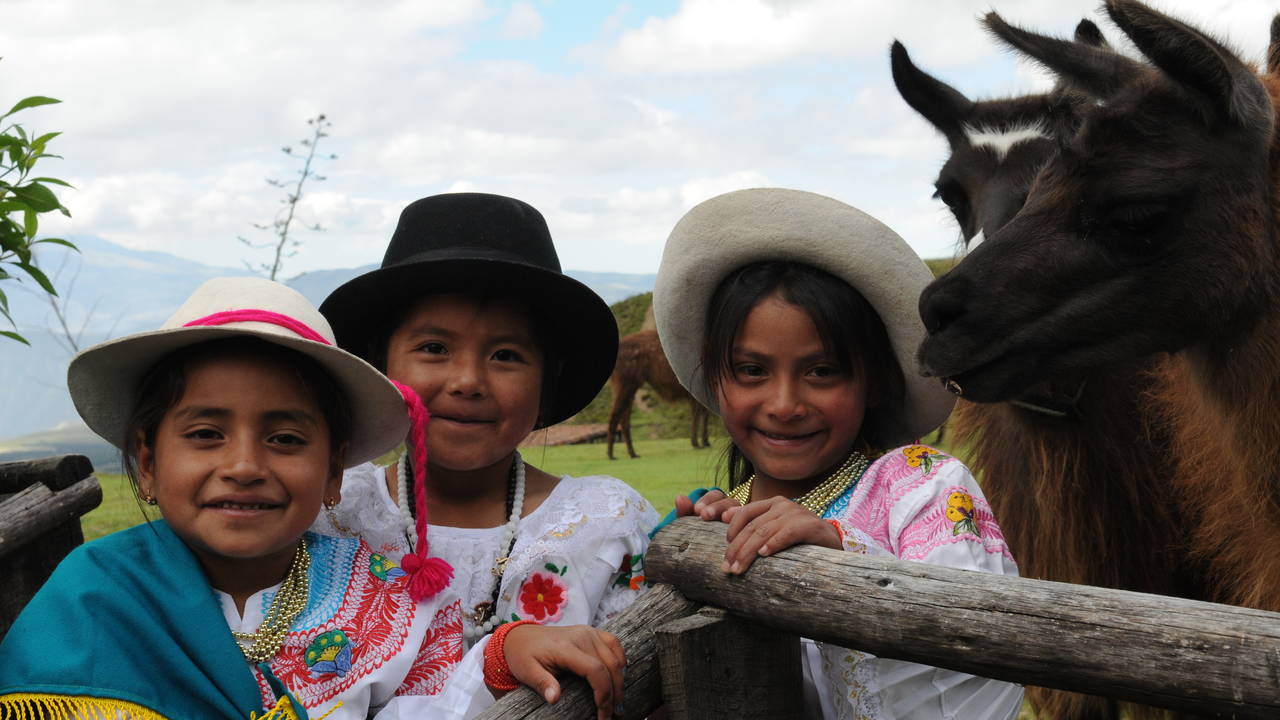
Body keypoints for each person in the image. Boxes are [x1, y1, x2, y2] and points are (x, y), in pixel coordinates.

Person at [0, 277, 624, 720]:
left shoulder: (398, 608)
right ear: (146, 463)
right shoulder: (94, 598)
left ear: (333, 473)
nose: (244, 466)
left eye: (285, 439)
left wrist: (496, 657)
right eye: (206, 434)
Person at [651, 188, 1023, 719]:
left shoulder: (922, 487)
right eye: (752, 371)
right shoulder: (707, 519)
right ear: (716, 379)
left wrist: (843, 553)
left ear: (874, 382)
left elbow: (976, 645)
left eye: (822, 371)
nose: (784, 405)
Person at [315, 193, 659, 651]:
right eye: (434, 348)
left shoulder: (604, 528)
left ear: (547, 376)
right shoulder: (330, 513)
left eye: (506, 355)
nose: (468, 382)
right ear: (381, 364)